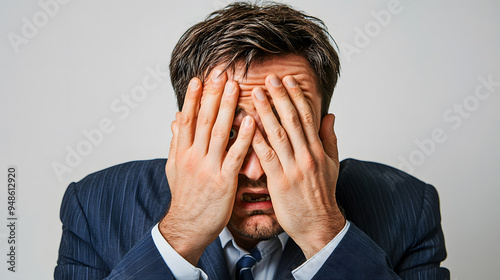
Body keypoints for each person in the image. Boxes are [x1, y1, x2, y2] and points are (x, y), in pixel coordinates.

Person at [55, 2, 449, 279]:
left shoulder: (407, 208)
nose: (257, 169)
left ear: (324, 136)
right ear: (185, 134)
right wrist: (182, 235)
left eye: (285, 128)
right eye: (228, 134)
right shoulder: (95, 206)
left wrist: (322, 233)